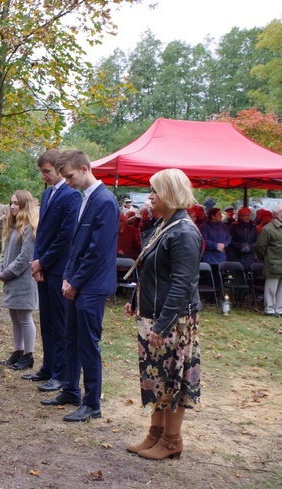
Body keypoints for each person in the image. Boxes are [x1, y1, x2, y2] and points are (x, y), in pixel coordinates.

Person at [124, 168, 202, 460]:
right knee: (155, 378)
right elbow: (148, 269)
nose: (150, 196)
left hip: (173, 322)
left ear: (169, 193)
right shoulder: (163, 225)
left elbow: (182, 284)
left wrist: (161, 324)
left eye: (155, 191)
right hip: (154, 316)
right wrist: (136, 298)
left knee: (172, 381)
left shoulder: (183, 231)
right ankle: (155, 434)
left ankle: (172, 441)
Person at [42, 150, 118, 423]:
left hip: (92, 286)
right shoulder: (85, 199)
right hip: (75, 283)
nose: (68, 181)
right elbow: (76, 246)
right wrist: (67, 277)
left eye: (71, 176)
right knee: (70, 338)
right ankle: (71, 389)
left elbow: (97, 252)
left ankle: (92, 402)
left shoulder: (105, 202)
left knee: (88, 344)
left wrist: (74, 281)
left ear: (85, 169)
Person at [23, 149, 80, 392]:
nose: (44, 176)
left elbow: (65, 237)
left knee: (60, 323)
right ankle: (48, 367)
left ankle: (62, 373)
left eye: (47, 171)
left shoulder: (72, 196)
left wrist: (43, 262)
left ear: (59, 168)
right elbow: (42, 232)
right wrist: (36, 263)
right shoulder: (47, 195)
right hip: (43, 267)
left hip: (58, 268)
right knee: (46, 320)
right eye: (42, 172)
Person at [0, 190, 39, 371]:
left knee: (24, 317)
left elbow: (24, 258)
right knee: (14, 316)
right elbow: (5, 253)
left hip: (23, 281)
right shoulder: (13, 226)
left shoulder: (29, 227)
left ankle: (28, 355)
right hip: (11, 280)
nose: (13, 206)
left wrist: (6, 273)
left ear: (24, 205)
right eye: (11, 202)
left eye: (16, 203)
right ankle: (18, 351)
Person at [255, 205, 282, 316]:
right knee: (271, 287)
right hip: (273, 264)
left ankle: (279, 309)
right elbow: (259, 247)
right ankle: (269, 308)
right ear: (276, 215)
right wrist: (267, 259)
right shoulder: (268, 229)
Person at [199, 208, 231, 286]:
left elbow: (228, 237)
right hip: (209, 257)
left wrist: (224, 244)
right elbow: (203, 240)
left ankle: (218, 293)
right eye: (219, 214)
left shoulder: (223, 226)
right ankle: (210, 297)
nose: (221, 216)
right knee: (209, 279)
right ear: (213, 216)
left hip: (221, 257)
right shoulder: (204, 227)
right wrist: (215, 245)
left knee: (219, 279)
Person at [227, 207, 258, 271]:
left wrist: (250, 247)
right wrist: (240, 246)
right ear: (240, 216)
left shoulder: (253, 226)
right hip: (236, 255)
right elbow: (229, 239)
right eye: (246, 215)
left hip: (249, 256)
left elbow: (257, 240)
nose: (248, 217)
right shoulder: (234, 226)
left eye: (249, 215)